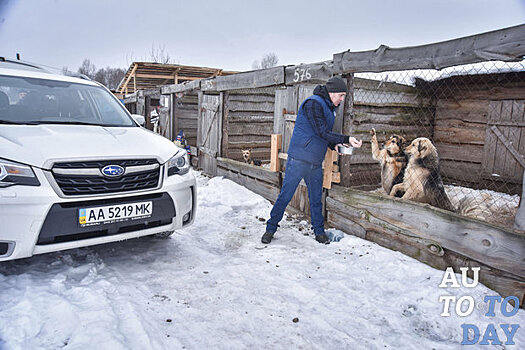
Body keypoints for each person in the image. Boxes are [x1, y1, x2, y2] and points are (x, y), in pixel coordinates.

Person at [261, 76, 362, 245]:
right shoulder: (313, 104)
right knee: (285, 196)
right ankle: (270, 229)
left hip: (314, 161)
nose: (342, 99)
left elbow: (322, 135)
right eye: (341, 95)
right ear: (331, 93)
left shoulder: (330, 108)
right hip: (299, 159)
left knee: (316, 199)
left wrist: (334, 145)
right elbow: (321, 130)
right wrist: (346, 138)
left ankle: (319, 232)